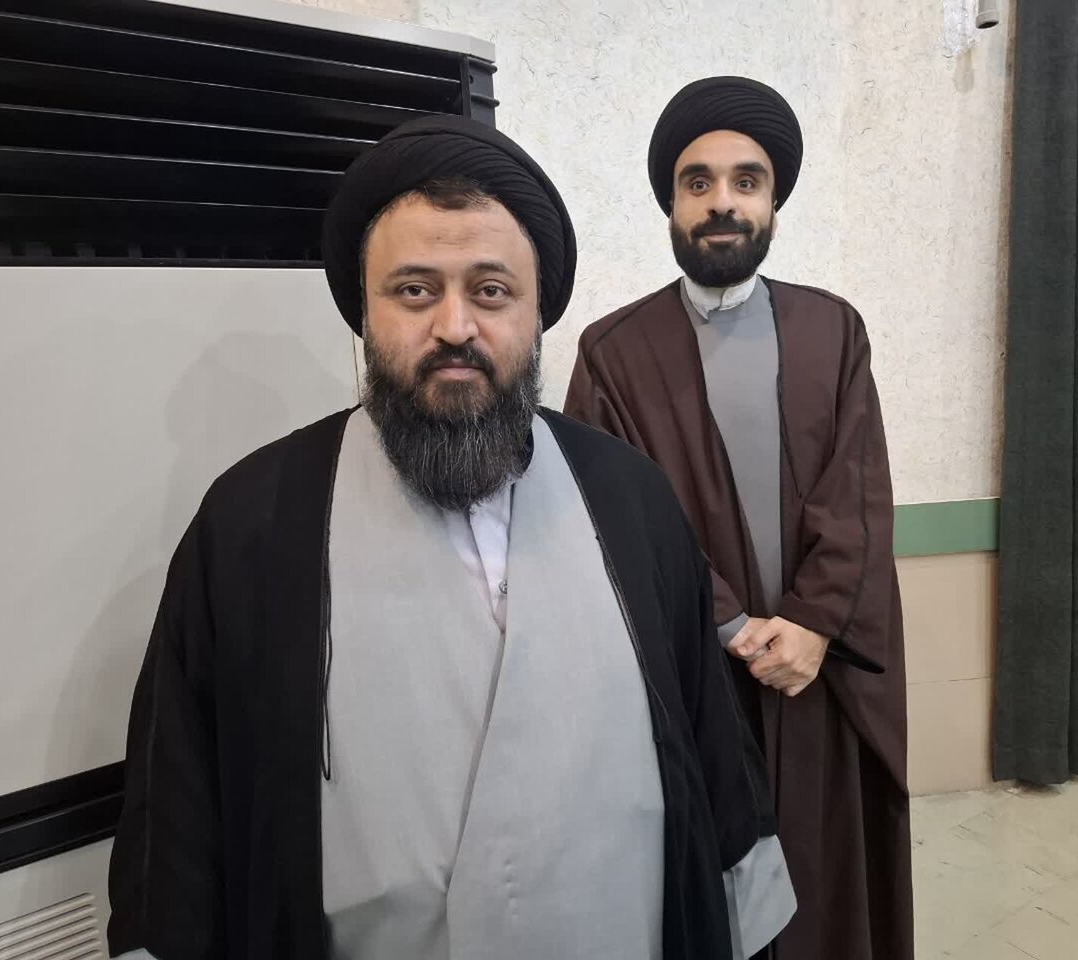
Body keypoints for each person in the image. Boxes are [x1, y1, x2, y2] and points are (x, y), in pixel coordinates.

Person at [106, 114, 795, 960]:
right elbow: (175, 808)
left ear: (537, 313)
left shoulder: (631, 497)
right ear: (364, 312)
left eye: (492, 291)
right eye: (414, 291)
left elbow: (713, 754)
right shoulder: (252, 521)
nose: (455, 327)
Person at [565, 77, 912, 960]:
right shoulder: (612, 354)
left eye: (745, 181)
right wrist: (729, 624)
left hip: (816, 669)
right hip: (697, 668)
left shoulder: (835, 331)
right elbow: (611, 515)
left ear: (773, 201)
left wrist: (812, 626)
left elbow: (858, 492)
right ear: (671, 204)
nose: (722, 202)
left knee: (825, 879)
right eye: (699, 182)